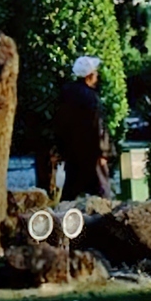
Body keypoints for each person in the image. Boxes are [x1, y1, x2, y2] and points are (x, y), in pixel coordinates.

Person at [57, 54, 112, 199]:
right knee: (102, 192)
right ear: (90, 75)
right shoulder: (91, 98)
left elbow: (60, 124)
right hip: (92, 153)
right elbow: (97, 127)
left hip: (72, 152)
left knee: (71, 191)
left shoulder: (66, 94)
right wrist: (103, 152)